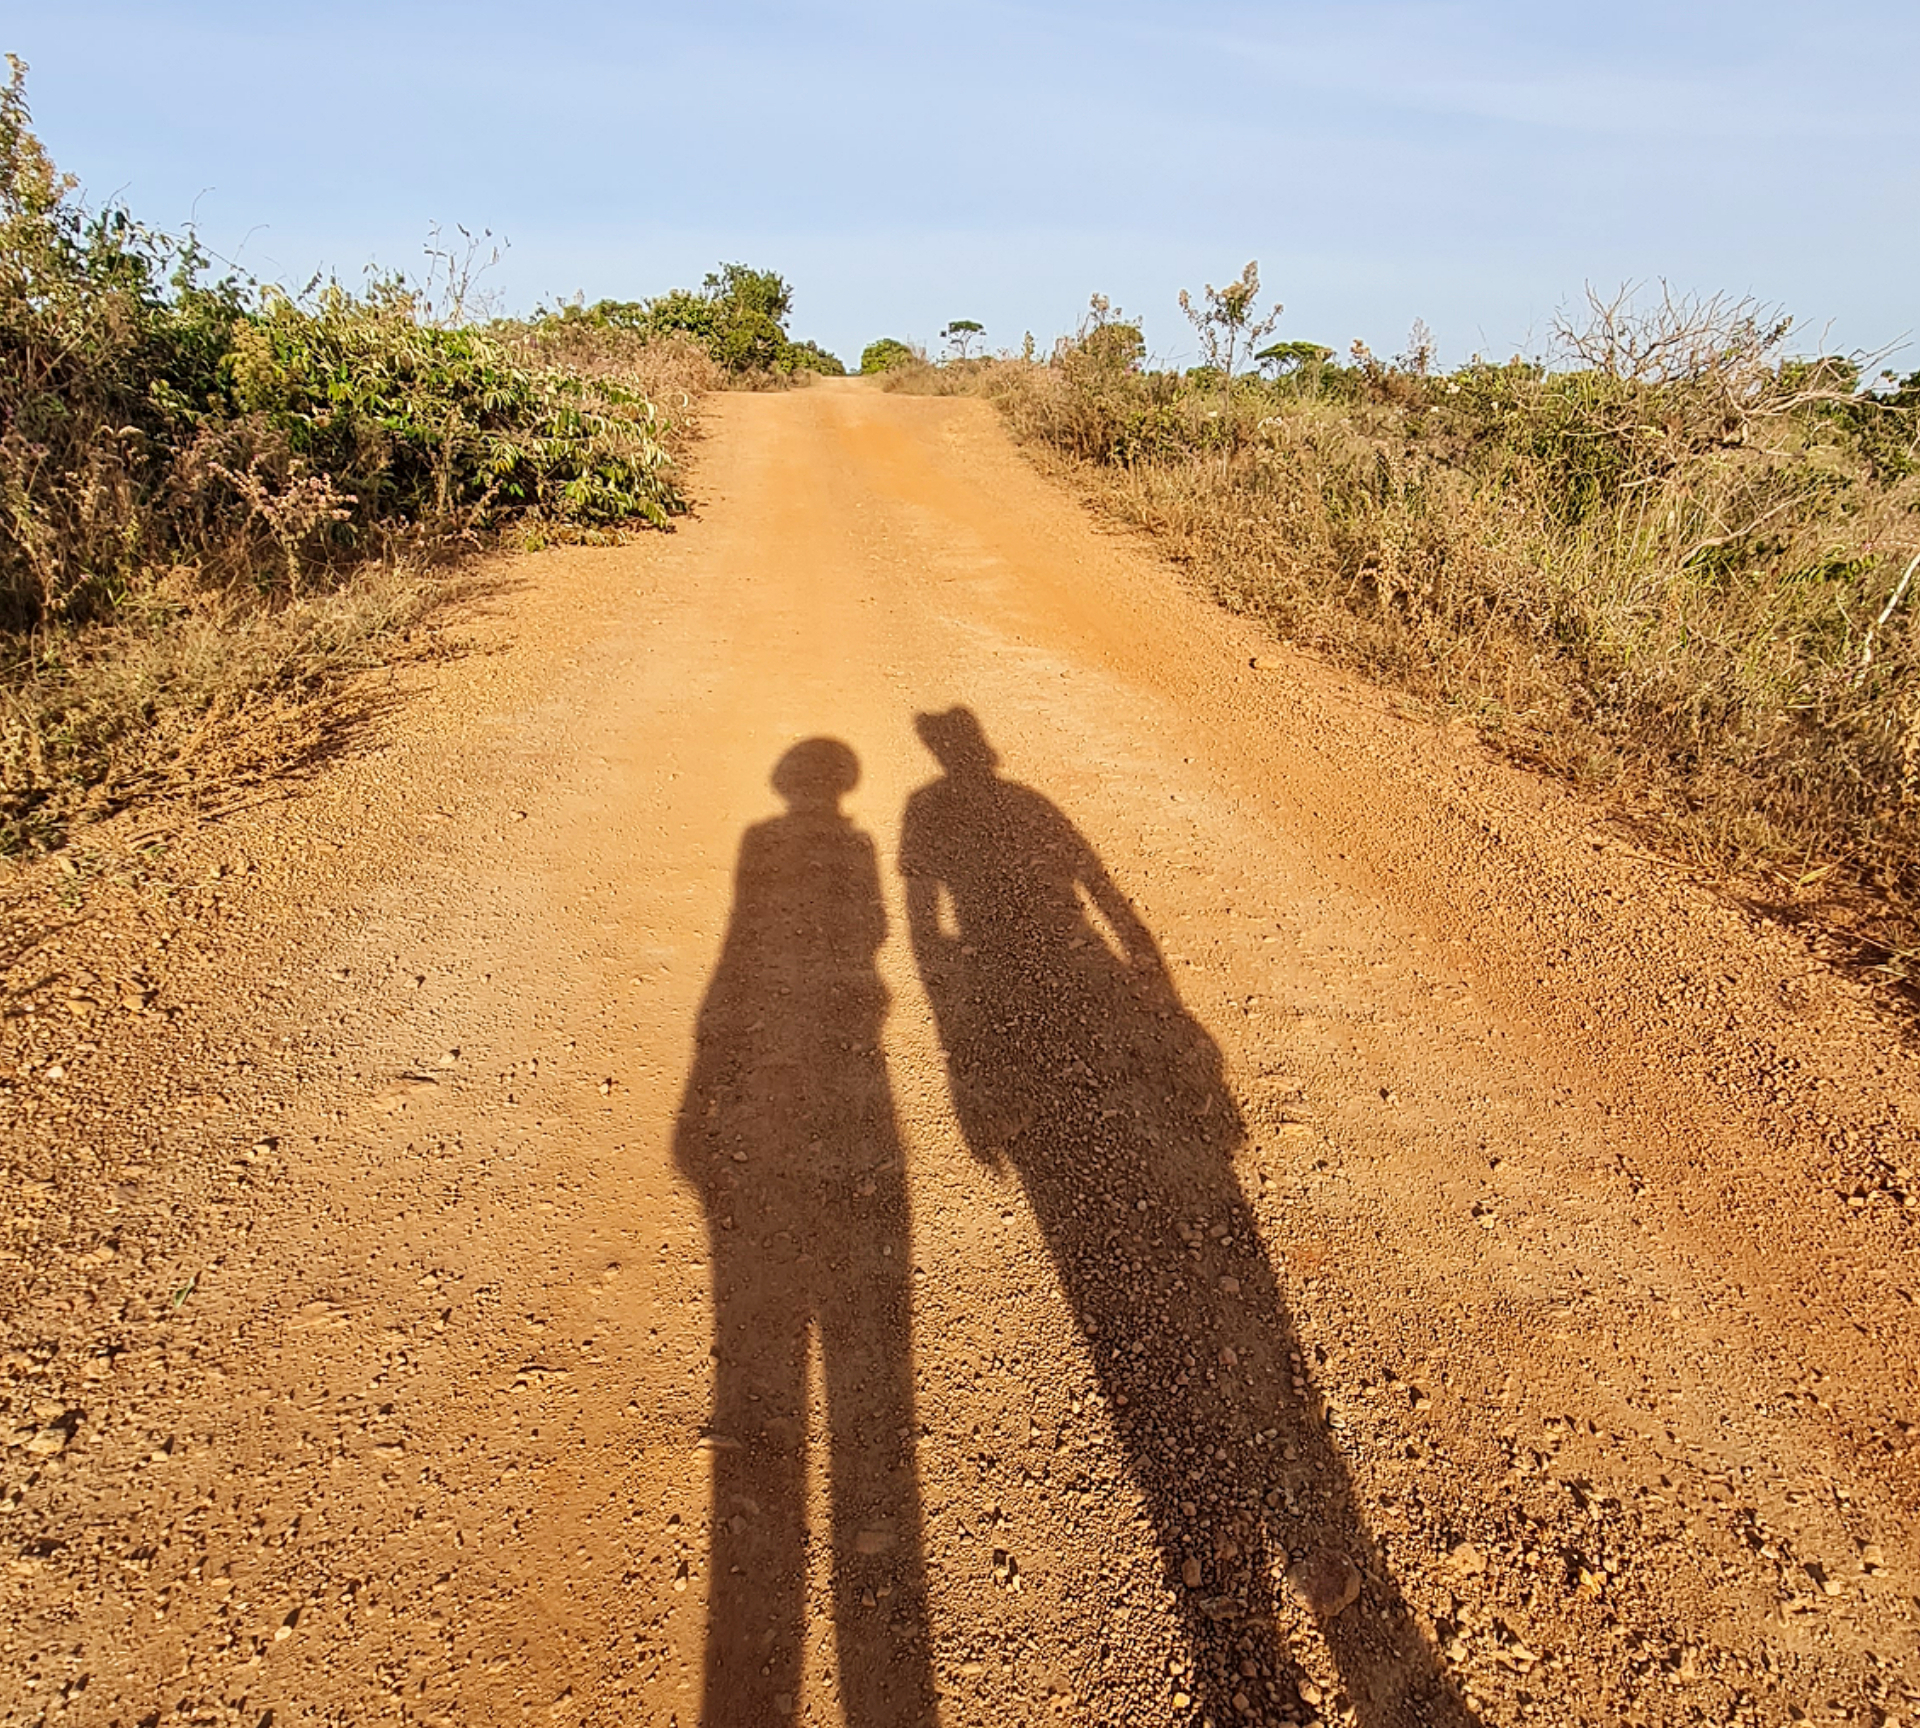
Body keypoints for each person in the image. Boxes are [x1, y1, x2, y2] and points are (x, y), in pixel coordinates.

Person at [900, 707, 1471, 1728]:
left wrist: (966, 1053)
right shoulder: (994, 803)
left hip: (1047, 986)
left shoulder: (940, 808)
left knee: (1128, 1276)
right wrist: (1159, 1008)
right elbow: (1112, 913)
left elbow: (940, 936)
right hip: (1084, 982)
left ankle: (1243, 1652)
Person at [674, 739, 934, 1727]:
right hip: (862, 1077)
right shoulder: (847, 845)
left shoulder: (768, 840)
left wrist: (701, 1101)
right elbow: (873, 932)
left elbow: (737, 958)